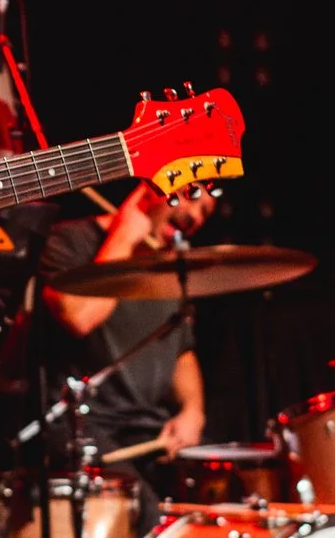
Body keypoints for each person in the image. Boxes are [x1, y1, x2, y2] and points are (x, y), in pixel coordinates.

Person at [36, 181, 214, 485]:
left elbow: (181, 350)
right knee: (144, 507)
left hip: (148, 429)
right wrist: (124, 237)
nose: (196, 216)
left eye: (206, 211)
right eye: (190, 195)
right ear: (150, 190)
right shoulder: (70, 240)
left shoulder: (168, 265)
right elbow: (79, 317)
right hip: (81, 425)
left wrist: (193, 411)